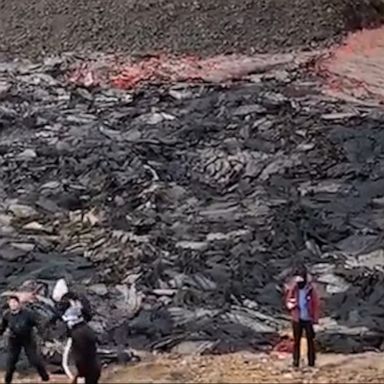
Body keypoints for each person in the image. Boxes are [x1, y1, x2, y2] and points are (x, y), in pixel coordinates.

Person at [50, 283, 101, 384]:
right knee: (91, 357)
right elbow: (88, 314)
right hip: (87, 329)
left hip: (76, 332)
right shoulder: (79, 300)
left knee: (73, 361)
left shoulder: (64, 303)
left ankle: (81, 379)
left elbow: (56, 315)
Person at [0, 295, 50, 384]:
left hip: (27, 338)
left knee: (34, 360)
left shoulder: (28, 313)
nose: (13, 305)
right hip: (14, 340)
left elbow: (39, 323)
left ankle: (45, 377)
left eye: (15, 303)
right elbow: (2, 327)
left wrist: (43, 335)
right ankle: (7, 380)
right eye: (11, 303)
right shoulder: (6, 314)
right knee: (11, 361)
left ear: (19, 304)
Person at [284, 266, 320, 368]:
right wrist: (290, 305)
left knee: (310, 341)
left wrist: (315, 320)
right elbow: (288, 299)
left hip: (308, 319)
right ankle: (296, 362)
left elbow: (316, 304)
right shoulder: (294, 289)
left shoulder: (310, 289)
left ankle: (311, 363)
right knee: (296, 341)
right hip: (297, 318)